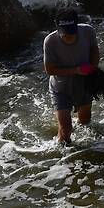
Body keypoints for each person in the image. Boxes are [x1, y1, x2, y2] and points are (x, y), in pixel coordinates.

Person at [43, 9, 99, 144]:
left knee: (85, 121)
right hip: (61, 88)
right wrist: (76, 70)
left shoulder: (88, 31)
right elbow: (50, 70)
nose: (69, 36)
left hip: (84, 83)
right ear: (57, 28)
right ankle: (62, 158)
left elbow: (94, 51)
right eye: (65, 33)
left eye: (71, 32)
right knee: (66, 129)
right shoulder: (50, 41)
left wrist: (93, 68)